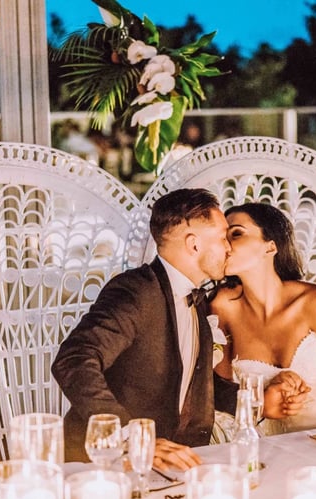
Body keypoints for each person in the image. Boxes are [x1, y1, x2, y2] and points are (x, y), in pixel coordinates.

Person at [52, 189, 302, 470]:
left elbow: (197, 381)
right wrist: (132, 437)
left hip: (171, 465)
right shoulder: (136, 291)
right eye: (223, 238)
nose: (229, 248)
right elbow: (73, 360)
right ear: (193, 245)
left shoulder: (196, 298)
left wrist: (258, 400)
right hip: (103, 465)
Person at [210, 202, 316, 436]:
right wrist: (266, 394)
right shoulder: (222, 306)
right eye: (221, 237)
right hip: (276, 445)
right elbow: (222, 399)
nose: (225, 244)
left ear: (270, 247)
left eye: (236, 234)